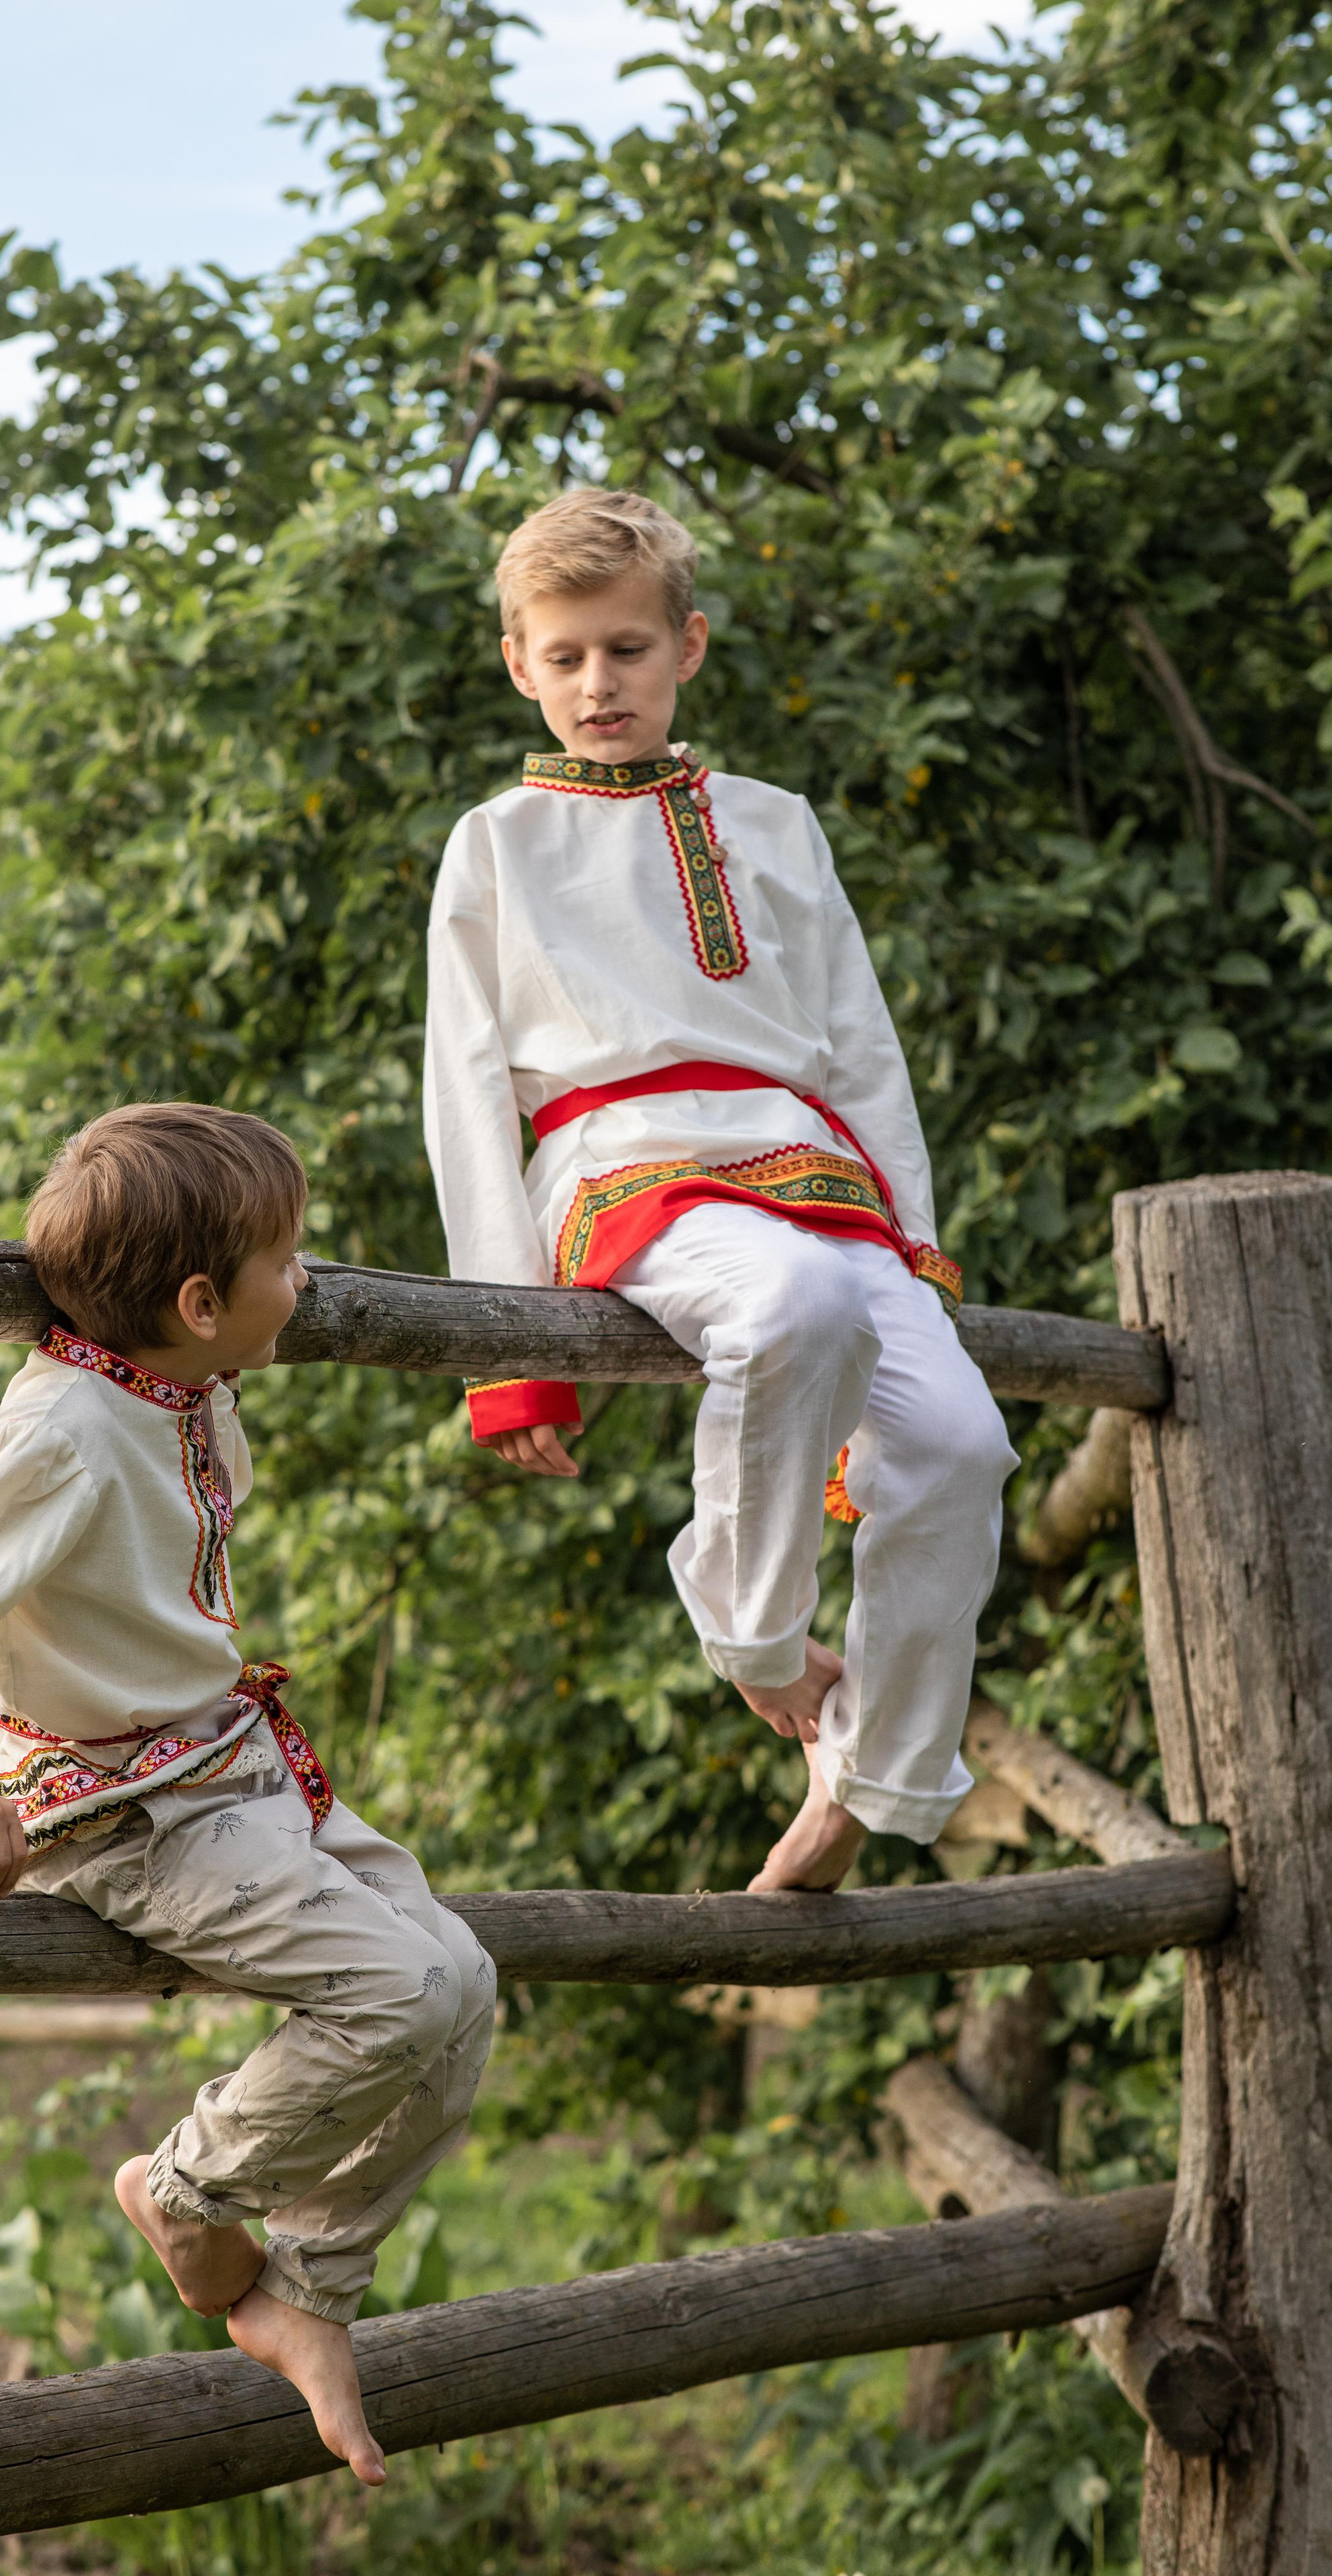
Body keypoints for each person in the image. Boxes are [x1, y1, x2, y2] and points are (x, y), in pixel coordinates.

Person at [0, 1102, 495, 2487]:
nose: (307, 1279)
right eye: (285, 1257)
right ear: (198, 1302)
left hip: (225, 1771)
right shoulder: (62, 1432)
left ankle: (305, 2284)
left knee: (466, 1985)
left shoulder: (174, 1381)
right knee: (401, 1993)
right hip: (128, 1813)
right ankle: (186, 2191)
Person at [423, 488, 1015, 1892]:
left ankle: (866, 1772)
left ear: (685, 647)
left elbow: (861, 1043)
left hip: (817, 1169)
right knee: (793, 1306)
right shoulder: (493, 843)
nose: (594, 682)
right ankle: (752, 1635)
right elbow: (463, 1093)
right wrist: (506, 1357)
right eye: (563, 656)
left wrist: (916, 1244)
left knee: (958, 1448)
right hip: (620, 1167)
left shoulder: (771, 822)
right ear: (519, 663)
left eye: (625, 650)